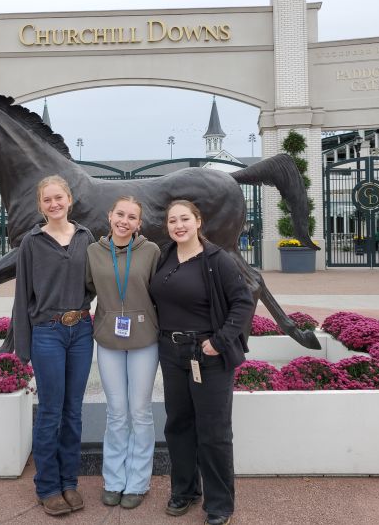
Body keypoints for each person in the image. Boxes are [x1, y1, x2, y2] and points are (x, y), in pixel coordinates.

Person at [149, 200, 254, 525]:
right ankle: (185, 490)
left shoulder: (216, 260)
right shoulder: (165, 255)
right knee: (178, 424)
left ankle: (219, 503)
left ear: (198, 222)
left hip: (207, 355)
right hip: (171, 351)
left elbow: (243, 300)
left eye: (184, 219)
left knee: (214, 431)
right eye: (172, 221)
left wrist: (219, 341)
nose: (178, 225)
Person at [12, 175, 95, 517]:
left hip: (81, 332)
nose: (54, 204)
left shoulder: (85, 237)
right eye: (47, 200)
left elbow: (96, 280)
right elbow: (22, 295)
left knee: (73, 411)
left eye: (59, 197)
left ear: (69, 200)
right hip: (47, 331)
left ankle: (69, 482)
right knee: (50, 412)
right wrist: (23, 346)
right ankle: (47, 487)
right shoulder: (31, 242)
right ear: (41, 204)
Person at [85, 196, 160, 510]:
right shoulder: (93, 251)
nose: (124, 221)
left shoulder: (151, 251)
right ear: (110, 216)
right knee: (116, 412)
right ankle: (114, 480)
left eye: (132, 217)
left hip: (145, 339)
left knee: (140, 411)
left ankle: (138, 481)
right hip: (108, 340)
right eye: (120, 214)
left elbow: (161, 291)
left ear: (139, 223)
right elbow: (85, 288)